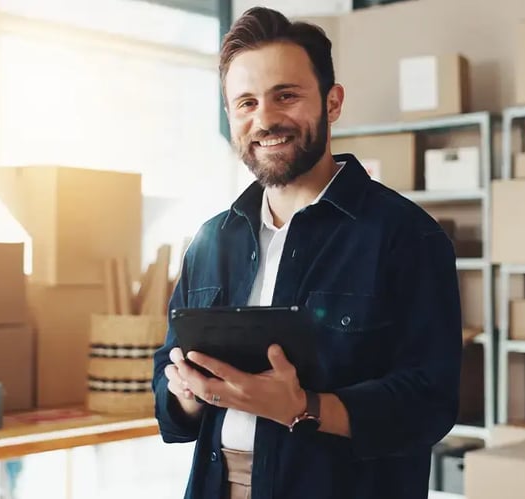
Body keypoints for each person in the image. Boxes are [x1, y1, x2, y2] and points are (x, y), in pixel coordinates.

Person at [151, 6, 463, 499]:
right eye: (246, 102)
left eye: (286, 96)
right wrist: (187, 392)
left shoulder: (407, 237)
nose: (265, 119)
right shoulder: (210, 242)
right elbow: (167, 380)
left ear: (332, 102)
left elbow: (430, 403)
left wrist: (302, 407)